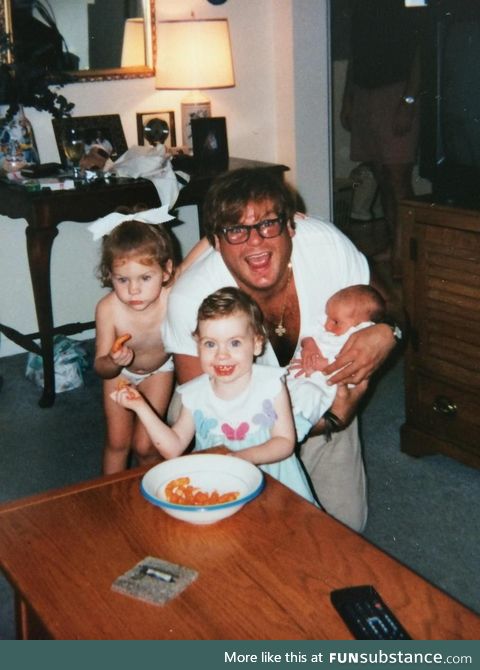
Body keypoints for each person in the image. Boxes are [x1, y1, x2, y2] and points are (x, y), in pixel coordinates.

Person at [162, 167, 399, 532]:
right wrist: (333, 418)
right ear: (215, 240)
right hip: (233, 417)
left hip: (316, 392)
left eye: (268, 224)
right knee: (248, 531)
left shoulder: (327, 247)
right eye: (236, 230)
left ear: (291, 225)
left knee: (343, 531)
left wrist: (388, 333)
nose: (255, 243)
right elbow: (210, 404)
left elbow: (391, 304)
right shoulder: (192, 296)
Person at [111, 287, 316, 503]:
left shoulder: (270, 384)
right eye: (210, 344)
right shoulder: (195, 394)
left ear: (256, 344)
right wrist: (140, 406)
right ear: (197, 345)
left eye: (234, 343)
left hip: (274, 487)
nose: (222, 355)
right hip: (222, 485)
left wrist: (240, 458)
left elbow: (284, 442)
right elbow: (173, 447)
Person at [340, 0, 425, 279]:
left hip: (397, 92)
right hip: (365, 91)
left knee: (398, 178)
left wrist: (409, 100)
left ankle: (407, 254)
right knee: (381, 175)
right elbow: (355, 55)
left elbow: (421, 49)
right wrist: (348, 98)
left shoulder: (409, 3)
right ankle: (395, 245)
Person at [92, 209, 176, 474]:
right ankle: (111, 502)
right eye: (123, 279)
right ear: (109, 275)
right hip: (120, 375)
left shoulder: (172, 295)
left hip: (159, 372)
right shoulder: (108, 308)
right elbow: (100, 368)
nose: (134, 290)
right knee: (118, 442)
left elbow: (200, 262)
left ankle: (155, 494)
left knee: (146, 446)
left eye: (145, 278)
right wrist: (113, 362)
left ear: (166, 271)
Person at [288, 285, 386, 441]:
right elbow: (308, 331)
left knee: (308, 397)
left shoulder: (354, 339)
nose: (327, 325)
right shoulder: (331, 320)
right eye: (327, 317)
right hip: (297, 374)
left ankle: (296, 428)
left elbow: (350, 367)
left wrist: (323, 364)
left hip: (322, 386)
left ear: (362, 326)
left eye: (335, 322)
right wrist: (309, 344)